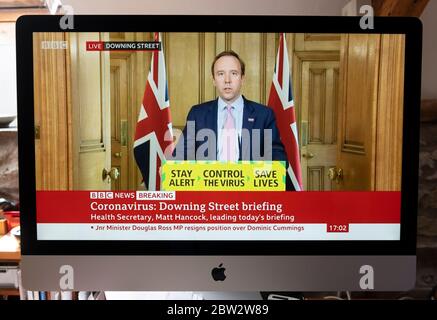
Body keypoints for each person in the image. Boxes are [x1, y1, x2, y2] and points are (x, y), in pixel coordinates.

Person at [173, 50, 288, 163]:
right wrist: (169, 168)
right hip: (209, 181)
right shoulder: (197, 114)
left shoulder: (264, 115)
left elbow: (277, 155)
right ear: (213, 80)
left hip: (249, 181)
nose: (227, 80)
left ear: (242, 78)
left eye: (234, 73)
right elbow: (182, 153)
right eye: (221, 74)